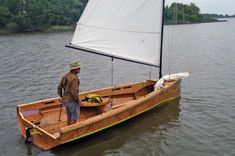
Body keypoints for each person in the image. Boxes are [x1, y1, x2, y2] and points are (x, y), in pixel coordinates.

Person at [57, 61, 81, 125]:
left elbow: (59, 87)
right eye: (78, 68)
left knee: (69, 117)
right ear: (74, 69)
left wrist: (62, 97)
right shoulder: (74, 78)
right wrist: (79, 101)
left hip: (66, 100)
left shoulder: (65, 76)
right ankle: (73, 132)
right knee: (75, 118)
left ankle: (68, 129)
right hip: (72, 100)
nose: (80, 69)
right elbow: (74, 92)